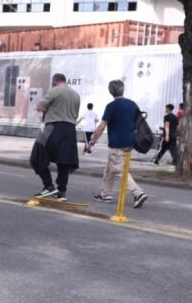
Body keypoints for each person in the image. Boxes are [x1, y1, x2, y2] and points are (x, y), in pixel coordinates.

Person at [88, 80, 149, 208]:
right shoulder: (132, 104)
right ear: (123, 89)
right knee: (110, 169)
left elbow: (102, 126)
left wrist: (92, 141)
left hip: (117, 143)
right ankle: (105, 195)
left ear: (110, 91)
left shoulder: (112, 106)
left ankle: (138, 193)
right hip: (130, 142)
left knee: (118, 170)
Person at [30, 73, 81, 201]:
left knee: (36, 155)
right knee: (64, 161)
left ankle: (48, 186)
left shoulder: (55, 90)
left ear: (55, 82)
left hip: (53, 127)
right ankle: (61, 191)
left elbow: (39, 106)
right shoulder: (76, 95)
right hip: (70, 130)